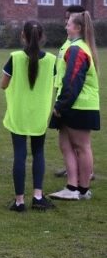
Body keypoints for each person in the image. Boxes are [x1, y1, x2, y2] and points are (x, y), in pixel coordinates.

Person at [1, 21, 56, 212]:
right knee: (38, 152)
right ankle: (38, 197)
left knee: (19, 154)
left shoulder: (15, 58)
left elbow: (3, 84)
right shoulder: (51, 60)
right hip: (39, 114)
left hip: (18, 113)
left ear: (22, 36)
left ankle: (19, 201)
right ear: (42, 37)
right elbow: (55, 82)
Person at [49, 11, 100, 201]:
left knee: (81, 146)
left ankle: (82, 189)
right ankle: (72, 186)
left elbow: (73, 81)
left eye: (69, 24)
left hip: (79, 105)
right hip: (74, 104)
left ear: (77, 28)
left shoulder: (77, 49)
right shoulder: (76, 47)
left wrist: (60, 106)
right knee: (66, 145)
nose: (65, 26)